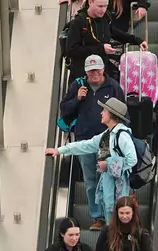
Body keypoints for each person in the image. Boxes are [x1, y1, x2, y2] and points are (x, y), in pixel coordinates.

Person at [46, 98, 138, 225]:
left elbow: (132, 159)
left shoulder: (122, 135)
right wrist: (60, 150)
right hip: (109, 182)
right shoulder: (108, 134)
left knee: (117, 214)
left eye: (104, 110)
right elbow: (86, 145)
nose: (101, 113)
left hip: (119, 185)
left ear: (111, 114)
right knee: (110, 211)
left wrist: (109, 164)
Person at [59, 55, 125, 230]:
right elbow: (64, 110)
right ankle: (97, 217)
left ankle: (111, 217)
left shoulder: (114, 87)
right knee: (90, 181)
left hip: (108, 142)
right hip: (85, 140)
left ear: (103, 69)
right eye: (90, 70)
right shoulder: (78, 85)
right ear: (86, 71)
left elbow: (123, 115)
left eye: (97, 69)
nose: (94, 73)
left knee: (108, 178)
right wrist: (77, 99)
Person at [65, 0, 148, 81]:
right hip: (82, 74)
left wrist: (137, 40)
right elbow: (71, 50)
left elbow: (115, 33)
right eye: (100, 6)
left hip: (101, 73)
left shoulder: (106, 17)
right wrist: (101, 49)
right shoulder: (78, 22)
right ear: (90, 2)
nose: (103, 10)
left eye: (106, 6)